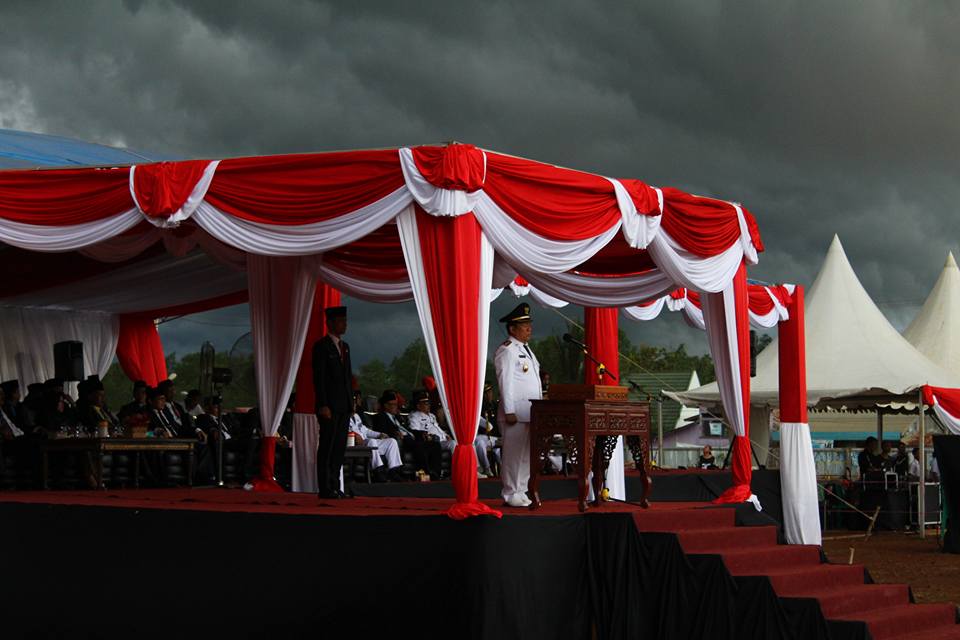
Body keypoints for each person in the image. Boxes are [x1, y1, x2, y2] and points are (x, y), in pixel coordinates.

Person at [494, 303, 541, 508]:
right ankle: (510, 491)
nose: (529, 328)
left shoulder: (527, 350)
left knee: (526, 455)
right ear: (512, 328)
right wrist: (509, 410)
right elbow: (506, 382)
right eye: (524, 325)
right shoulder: (507, 350)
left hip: (529, 412)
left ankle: (521, 489)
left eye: (529, 324)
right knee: (513, 455)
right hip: (515, 413)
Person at [312, 305, 353, 499]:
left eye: (344, 321)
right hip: (329, 405)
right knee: (327, 446)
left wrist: (351, 405)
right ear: (330, 323)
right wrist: (323, 404)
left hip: (344, 405)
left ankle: (336, 485)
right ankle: (325, 487)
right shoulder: (321, 346)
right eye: (340, 321)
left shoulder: (345, 347)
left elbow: (347, 378)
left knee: (339, 447)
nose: (344, 324)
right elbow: (319, 379)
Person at [348, 390, 403, 480]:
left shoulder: (357, 416)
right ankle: (378, 470)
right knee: (372, 441)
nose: (354, 406)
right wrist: (354, 435)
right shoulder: (343, 418)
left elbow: (366, 431)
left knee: (391, 441)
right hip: (356, 444)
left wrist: (379, 434)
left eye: (354, 404)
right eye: (352, 404)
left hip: (367, 443)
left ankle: (393, 470)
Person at [408, 390, 455, 479]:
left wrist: (445, 434)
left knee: (456, 443)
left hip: (443, 439)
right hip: (432, 442)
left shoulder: (432, 415)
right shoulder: (415, 416)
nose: (428, 405)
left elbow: (437, 428)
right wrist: (426, 436)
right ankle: (454, 472)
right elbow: (414, 431)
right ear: (418, 405)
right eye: (425, 403)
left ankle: (460, 470)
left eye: (429, 403)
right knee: (453, 444)